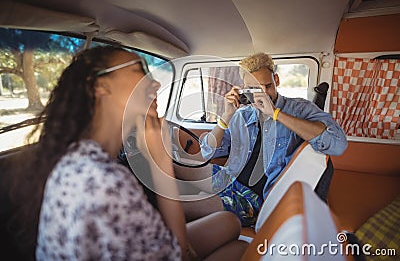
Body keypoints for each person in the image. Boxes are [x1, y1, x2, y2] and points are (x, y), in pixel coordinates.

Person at [7, 46, 248, 260]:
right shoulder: (104, 181)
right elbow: (178, 254)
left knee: (231, 224)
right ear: (101, 86)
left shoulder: (78, 158)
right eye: (138, 70)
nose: (154, 84)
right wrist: (161, 162)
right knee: (241, 250)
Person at [175, 52, 348, 227]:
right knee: (175, 166)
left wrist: (275, 114)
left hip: (254, 200)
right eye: (256, 88)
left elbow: (338, 144)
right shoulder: (242, 114)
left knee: (178, 208)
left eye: (268, 86)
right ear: (245, 88)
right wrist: (226, 116)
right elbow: (207, 151)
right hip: (230, 179)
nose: (264, 93)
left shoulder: (299, 109)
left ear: (277, 80)